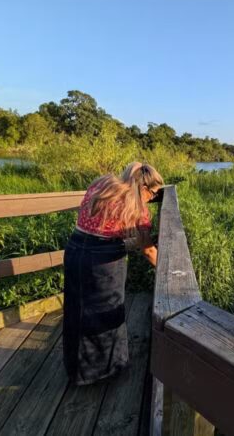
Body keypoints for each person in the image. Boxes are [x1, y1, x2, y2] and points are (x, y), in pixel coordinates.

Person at [62, 162, 163, 386]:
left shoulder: (103, 184)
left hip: (75, 250)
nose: (153, 199)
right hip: (104, 262)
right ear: (143, 188)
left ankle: (77, 369)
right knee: (106, 311)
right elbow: (147, 250)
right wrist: (165, 271)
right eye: (154, 193)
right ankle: (105, 370)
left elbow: (103, 226)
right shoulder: (137, 207)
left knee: (76, 307)